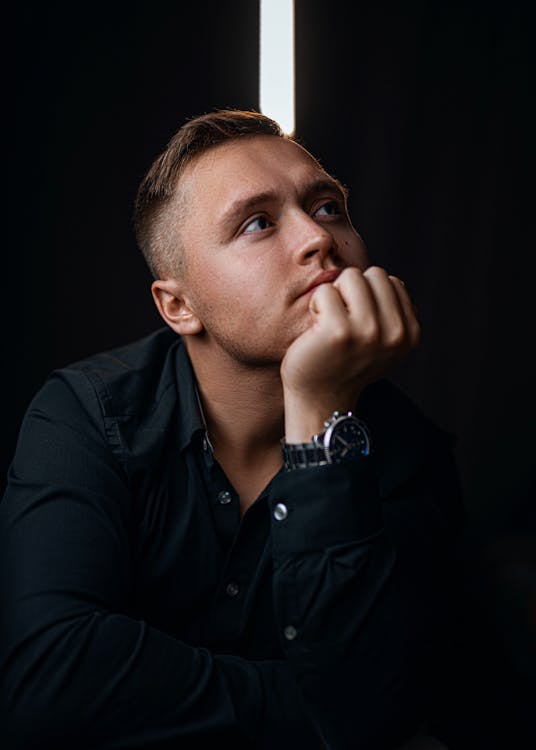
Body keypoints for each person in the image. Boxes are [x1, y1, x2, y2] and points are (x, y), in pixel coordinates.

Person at [0, 110, 463, 749]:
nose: (318, 239)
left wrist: (319, 412)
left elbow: (381, 710)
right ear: (178, 306)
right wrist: (318, 714)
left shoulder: (408, 450)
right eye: (258, 223)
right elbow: (47, 682)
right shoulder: (85, 415)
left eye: (328, 207)